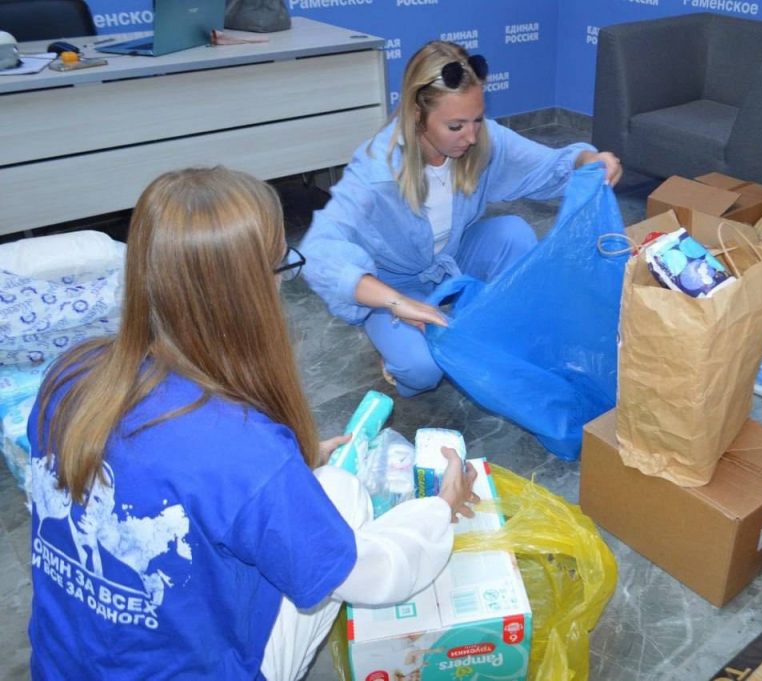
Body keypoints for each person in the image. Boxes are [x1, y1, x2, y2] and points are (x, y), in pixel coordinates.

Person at [28, 167, 478, 681]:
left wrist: (285, 473)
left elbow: (156, 472)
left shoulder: (70, 375)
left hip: (61, 667)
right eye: (282, 265)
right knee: (343, 492)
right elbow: (376, 576)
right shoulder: (243, 449)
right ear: (250, 292)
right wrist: (439, 510)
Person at [301, 40, 622, 398]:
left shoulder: (483, 139)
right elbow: (318, 251)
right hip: (395, 283)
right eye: (455, 126)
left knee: (513, 232)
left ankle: (483, 322)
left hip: (452, 256)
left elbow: (548, 165)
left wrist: (587, 161)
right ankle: (394, 345)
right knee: (422, 370)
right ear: (417, 115)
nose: (470, 137)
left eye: (477, 120)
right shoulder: (377, 168)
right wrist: (395, 302)